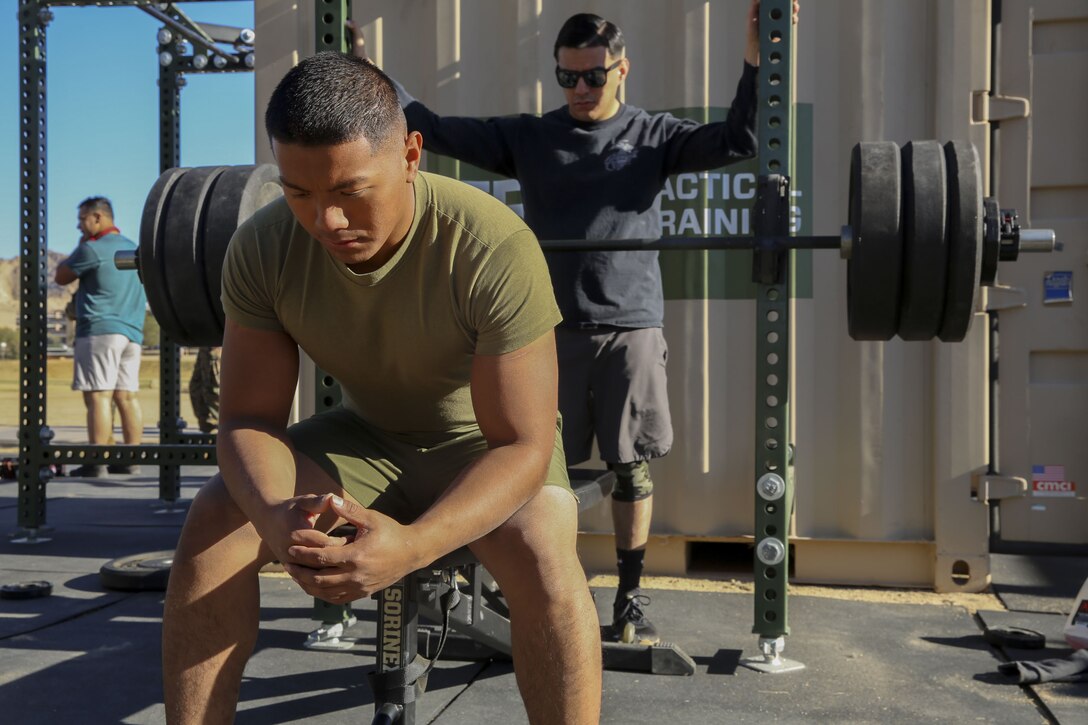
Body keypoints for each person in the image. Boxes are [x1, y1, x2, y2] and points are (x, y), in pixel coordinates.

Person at [161, 53, 601, 724]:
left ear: (410, 155)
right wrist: (278, 517)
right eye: (299, 193)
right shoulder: (262, 249)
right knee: (218, 514)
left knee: (542, 544)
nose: (325, 221)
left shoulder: (490, 244)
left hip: (482, 443)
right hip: (368, 439)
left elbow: (523, 441)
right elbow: (248, 418)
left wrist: (414, 546)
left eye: (349, 190)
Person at [348, 0, 799, 644]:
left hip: (629, 329)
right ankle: (530, 589)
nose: (581, 89)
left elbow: (742, 140)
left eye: (593, 75)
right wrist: (367, 72)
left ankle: (631, 597)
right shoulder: (532, 138)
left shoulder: (653, 137)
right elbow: (430, 126)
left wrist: (759, 55)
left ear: (622, 71)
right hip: (542, 332)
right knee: (526, 465)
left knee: (630, 469)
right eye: (568, 77)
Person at [55, 197, 146, 477]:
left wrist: (83, 242)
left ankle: (97, 460)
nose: (79, 225)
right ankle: (131, 458)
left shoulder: (92, 249)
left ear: (97, 218)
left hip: (100, 331)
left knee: (98, 396)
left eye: (82, 219)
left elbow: (60, 276)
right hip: (132, 332)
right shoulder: (132, 247)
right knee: (126, 396)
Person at [188, 346, 220, 433]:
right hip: (205, 345)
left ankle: (216, 425)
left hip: (214, 344)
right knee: (196, 387)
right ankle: (207, 425)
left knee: (212, 388)